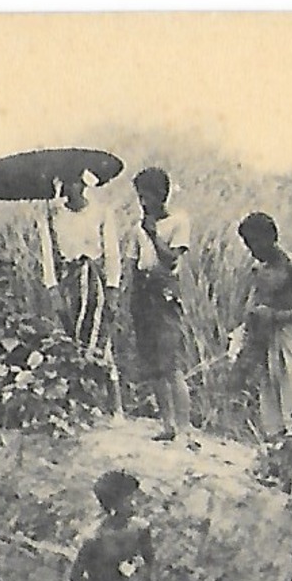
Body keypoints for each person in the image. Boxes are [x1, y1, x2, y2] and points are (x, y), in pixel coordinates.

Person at [37, 170, 123, 409]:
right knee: (69, 340)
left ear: (84, 184)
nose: (69, 187)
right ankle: (78, 402)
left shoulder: (101, 212)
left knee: (99, 338)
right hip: (68, 282)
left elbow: (112, 253)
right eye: (65, 182)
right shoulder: (52, 215)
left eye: (74, 182)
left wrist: (113, 288)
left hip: (94, 281)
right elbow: (48, 255)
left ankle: (114, 406)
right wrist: (52, 288)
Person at [127, 167, 198, 446]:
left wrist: (154, 234)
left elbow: (171, 261)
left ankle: (185, 427)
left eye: (148, 197)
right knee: (152, 363)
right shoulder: (138, 228)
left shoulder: (178, 222)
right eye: (140, 197)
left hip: (165, 294)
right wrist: (132, 300)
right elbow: (134, 264)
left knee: (170, 363)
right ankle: (167, 424)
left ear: (162, 195)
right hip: (144, 295)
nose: (143, 203)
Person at [234, 212, 292, 437]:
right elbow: (256, 306)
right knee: (271, 403)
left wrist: (277, 316)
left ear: (270, 237)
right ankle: (276, 456)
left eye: (254, 242)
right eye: (247, 244)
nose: (252, 249)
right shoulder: (259, 269)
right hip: (267, 338)